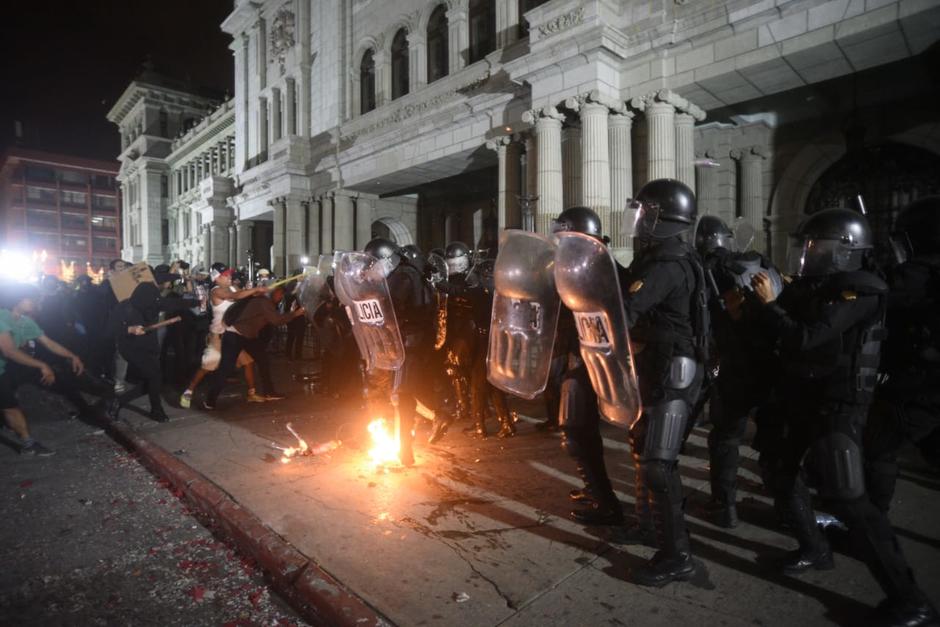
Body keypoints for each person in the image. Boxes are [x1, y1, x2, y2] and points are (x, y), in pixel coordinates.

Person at [751, 208, 937, 626]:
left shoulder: (862, 289)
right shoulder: (817, 286)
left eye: (815, 245)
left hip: (840, 404)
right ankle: (814, 547)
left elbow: (807, 336)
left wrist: (770, 306)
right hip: (805, 397)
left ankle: (911, 600)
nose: (807, 252)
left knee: (848, 497)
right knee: (779, 469)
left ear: (842, 250)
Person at [621, 179, 707, 586]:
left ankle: (678, 557)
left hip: (675, 371)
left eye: (644, 211)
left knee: (659, 465)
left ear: (660, 217)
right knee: (644, 452)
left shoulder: (667, 264)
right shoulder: (659, 257)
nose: (638, 218)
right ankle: (648, 528)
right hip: (658, 367)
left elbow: (626, 310)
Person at [695, 215, 781, 528]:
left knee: (726, 438)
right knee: (773, 438)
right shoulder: (758, 263)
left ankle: (724, 506)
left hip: (734, 365)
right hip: (770, 363)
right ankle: (784, 502)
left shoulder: (708, 269)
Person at [865, 197, 940, 512]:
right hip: (928, 385)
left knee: (876, 448)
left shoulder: (915, 274)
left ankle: (872, 524)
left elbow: (876, 299)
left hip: (916, 386)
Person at [551, 207, 624, 526]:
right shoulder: (579, 265)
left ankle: (606, 504)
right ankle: (594, 489)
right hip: (579, 357)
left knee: (575, 430)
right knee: (581, 431)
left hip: (592, 361)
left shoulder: (600, 267)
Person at [0, 284, 93, 455]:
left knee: (9, 406)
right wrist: (42, 365)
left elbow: (48, 342)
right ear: (18, 299)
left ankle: (28, 443)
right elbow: (9, 351)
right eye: (31, 298)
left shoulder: (25, 321)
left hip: (2, 371)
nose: (35, 302)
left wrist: (72, 356)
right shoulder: (1, 317)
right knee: (9, 405)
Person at [203, 283, 304, 410]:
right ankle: (210, 400)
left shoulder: (262, 301)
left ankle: (269, 392)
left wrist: (290, 313)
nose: (281, 297)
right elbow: (276, 320)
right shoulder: (264, 302)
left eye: (282, 295)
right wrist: (295, 314)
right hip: (235, 335)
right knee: (226, 369)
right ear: (273, 292)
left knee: (263, 360)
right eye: (280, 294)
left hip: (246, 336)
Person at [180, 265, 266, 408]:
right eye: (225, 275)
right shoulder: (216, 291)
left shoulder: (233, 287)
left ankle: (252, 394)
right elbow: (235, 296)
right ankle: (189, 391)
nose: (229, 277)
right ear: (216, 278)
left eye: (229, 274)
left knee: (248, 362)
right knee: (208, 365)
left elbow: (243, 295)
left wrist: (255, 291)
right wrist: (254, 290)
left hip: (231, 334)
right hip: (218, 337)